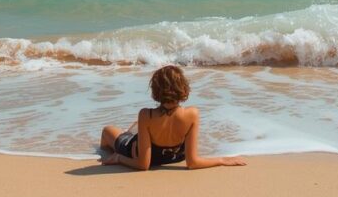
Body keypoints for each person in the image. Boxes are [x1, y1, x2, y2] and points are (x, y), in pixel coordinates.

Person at [98, 64, 246, 170]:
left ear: (156, 91)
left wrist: (118, 158)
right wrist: (222, 160)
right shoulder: (192, 114)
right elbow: (192, 162)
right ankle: (133, 131)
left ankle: (129, 134)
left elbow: (143, 164)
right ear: (183, 88)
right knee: (136, 130)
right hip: (174, 157)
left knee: (107, 131)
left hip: (136, 151)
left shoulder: (146, 115)